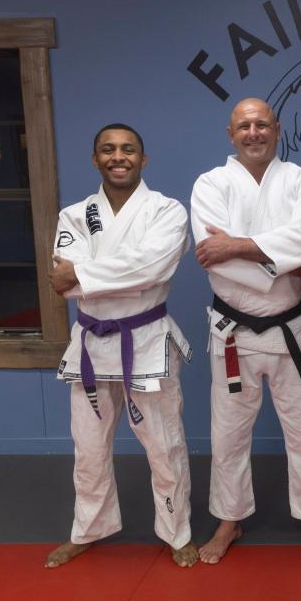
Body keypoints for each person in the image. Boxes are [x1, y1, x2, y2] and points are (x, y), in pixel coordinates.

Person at [191, 98, 301, 564]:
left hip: (291, 327)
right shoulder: (210, 183)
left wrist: (238, 246)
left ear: (277, 129)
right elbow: (209, 253)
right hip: (231, 330)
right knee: (228, 433)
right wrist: (278, 261)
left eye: (262, 124)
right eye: (244, 125)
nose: (253, 132)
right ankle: (229, 518)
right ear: (230, 133)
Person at [45, 123, 196, 568]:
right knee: (88, 448)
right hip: (91, 343)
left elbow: (152, 268)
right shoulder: (74, 214)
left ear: (143, 159)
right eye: (107, 150)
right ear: (95, 159)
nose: (118, 156)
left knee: (164, 445)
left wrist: (87, 274)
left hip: (146, 341)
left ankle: (177, 532)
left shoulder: (167, 211)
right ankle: (89, 529)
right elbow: (62, 280)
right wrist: (95, 276)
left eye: (128, 149)